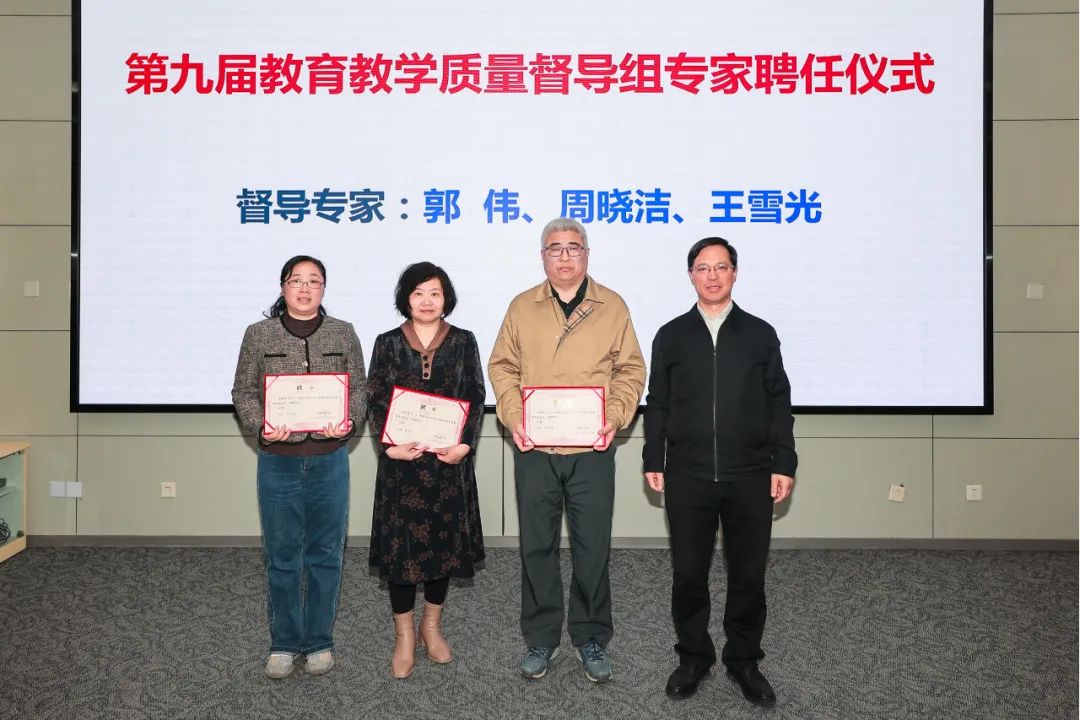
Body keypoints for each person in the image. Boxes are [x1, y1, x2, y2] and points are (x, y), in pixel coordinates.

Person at [488, 217, 646, 683]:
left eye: (573, 247)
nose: (564, 256)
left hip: (591, 449)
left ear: (587, 254)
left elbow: (631, 370)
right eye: (554, 248)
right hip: (535, 448)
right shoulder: (522, 307)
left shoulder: (612, 306)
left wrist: (613, 418)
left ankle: (591, 636)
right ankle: (541, 637)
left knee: (592, 546)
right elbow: (502, 367)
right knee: (536, 546)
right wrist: (514, 418)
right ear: (542, 256)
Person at [642, 237, 797, 705]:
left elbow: (779, 402)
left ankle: (744, 659)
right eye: (703, 268)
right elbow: (658, 403)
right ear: (691, 275)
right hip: (687, 473)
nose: (712, 276)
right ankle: (693, 656)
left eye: (721, 267)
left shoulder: (760, 334)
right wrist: (654, 458)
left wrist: (784, 461)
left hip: (750, 472)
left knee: (747, 573)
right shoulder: (671, 335)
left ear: (735, 273)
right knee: (689, 573)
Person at [231, 255, 368, 679]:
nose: (305, 288)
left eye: (314, 281)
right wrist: (262, 425)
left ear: (324, 288)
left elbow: (359, 391)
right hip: (279, 462)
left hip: (330, 461)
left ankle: (320, 641)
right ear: (283, 287)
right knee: (283, 556)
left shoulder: (343, 332)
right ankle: (285, 643)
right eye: (296, 281)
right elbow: (243, 392)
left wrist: (349, 421)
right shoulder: (259, 334)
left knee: (326, 555)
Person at [367, 261, 486, 679]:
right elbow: (376, 398)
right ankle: (403, 634)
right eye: (418, 293)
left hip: (447, 466)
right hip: (402, 467)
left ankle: (431, 626)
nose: (427, 301)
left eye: (435, 293)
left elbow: (475, 394)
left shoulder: (464, 341)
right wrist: (389, 446)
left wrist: (465, 444)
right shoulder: (387, 343)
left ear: (446, 298)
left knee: (442, 549)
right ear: (406, 298)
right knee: (400, 553)